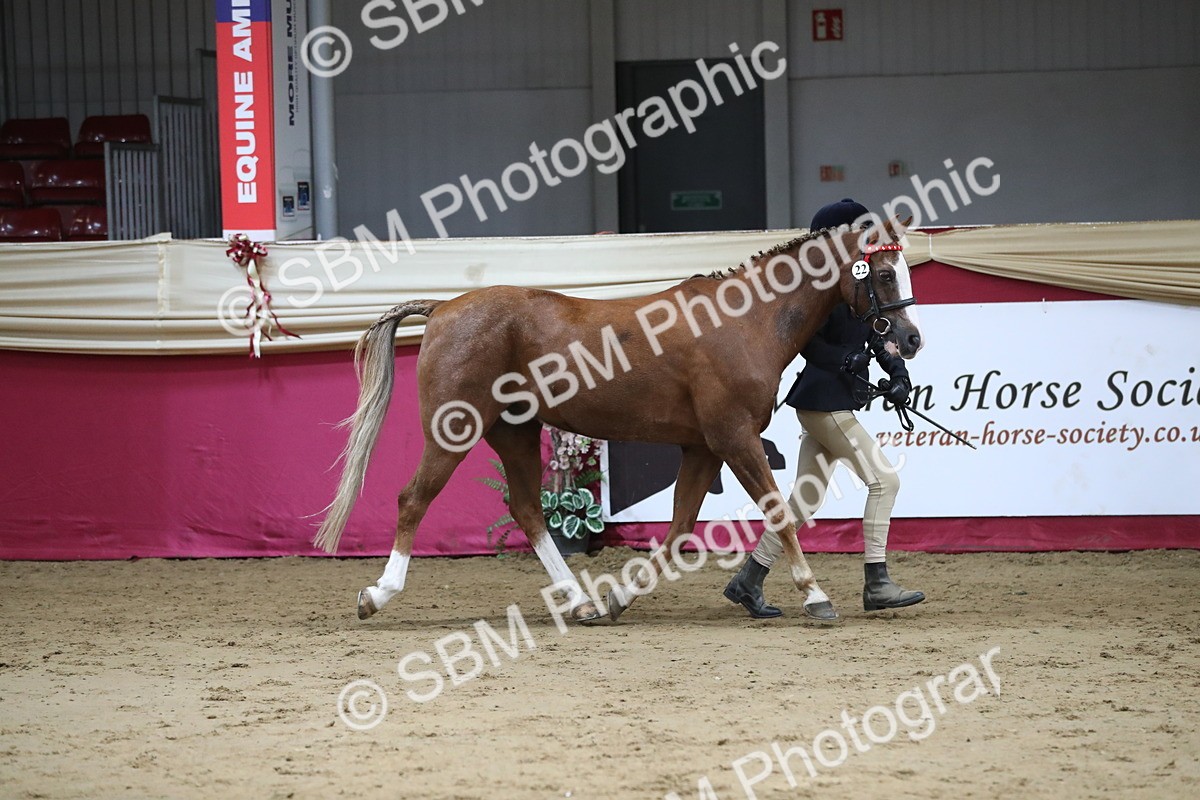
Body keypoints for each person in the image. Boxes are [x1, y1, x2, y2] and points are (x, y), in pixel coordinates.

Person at [724, 198, 925, 618]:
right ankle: (877, 582)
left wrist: (897, 374)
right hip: (824, 403)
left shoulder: (861, 287)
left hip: (831, 403)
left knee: (806, 499)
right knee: (885, 482)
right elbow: (808, 344)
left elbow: (877, 334)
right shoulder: (821, 293)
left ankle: (749, 579)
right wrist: (843, 361)